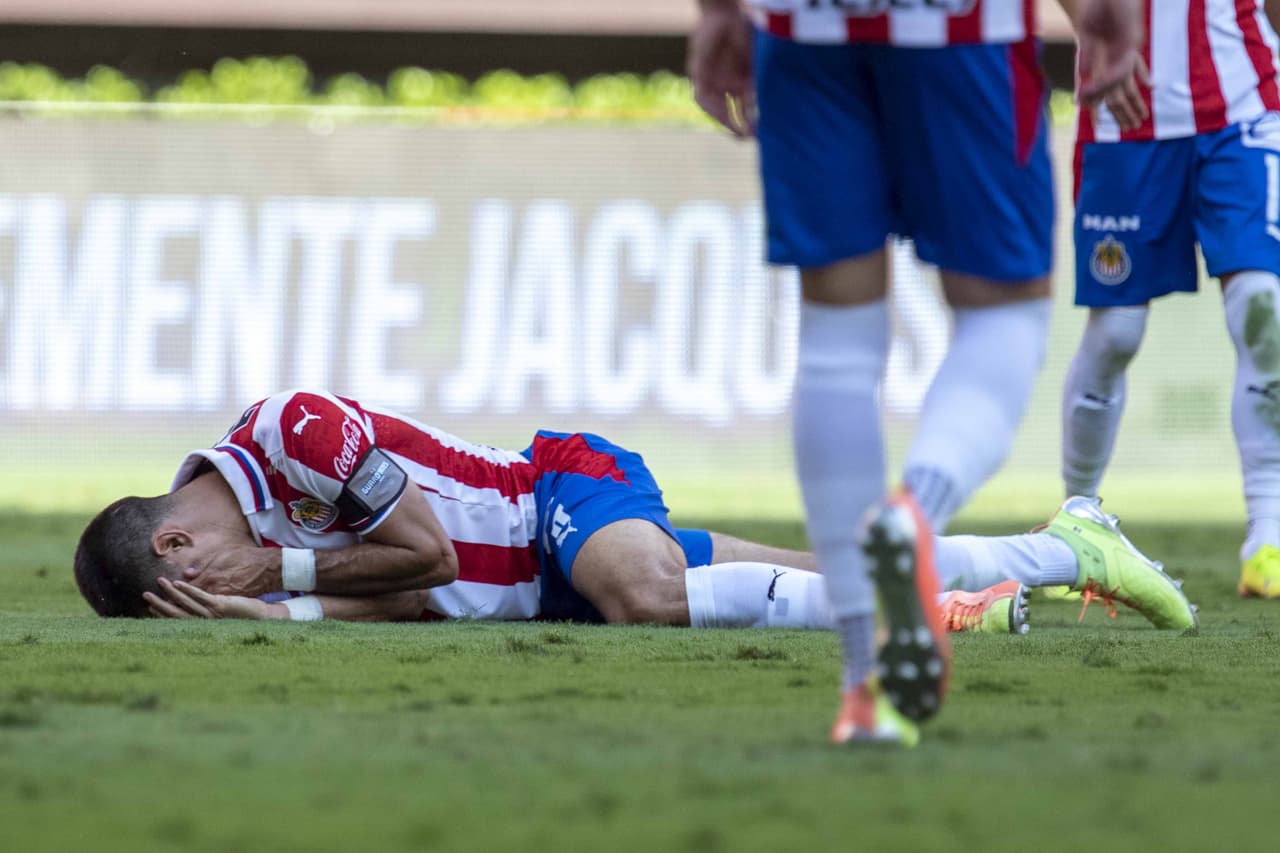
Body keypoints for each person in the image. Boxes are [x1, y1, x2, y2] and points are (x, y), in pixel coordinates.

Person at [687, 0, 1154, 745]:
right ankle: (915, 517)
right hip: (960, 26)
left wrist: (716, 11)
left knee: (836, 343)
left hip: (805, 25)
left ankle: (864, 684)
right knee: (1005, 316)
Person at [74, 390, 1192, 643]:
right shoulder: (255, 547)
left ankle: (931, 618)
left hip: (555, 494)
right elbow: (409, 598)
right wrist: (281, 616)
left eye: (199, 587)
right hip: (549, 578)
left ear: (177, 542)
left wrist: (280, 579)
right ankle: (1068, 545)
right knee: (834, 561)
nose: (221, 592)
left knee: (646, 599)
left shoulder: (292, 430)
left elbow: (425, 552)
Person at [1058, 0, 1280, 599]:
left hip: (1244, 106)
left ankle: (1269, 534)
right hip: (1123, 113)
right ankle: (1074, 522)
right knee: (1116, 333)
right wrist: (1095, 28)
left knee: (1263, 307)